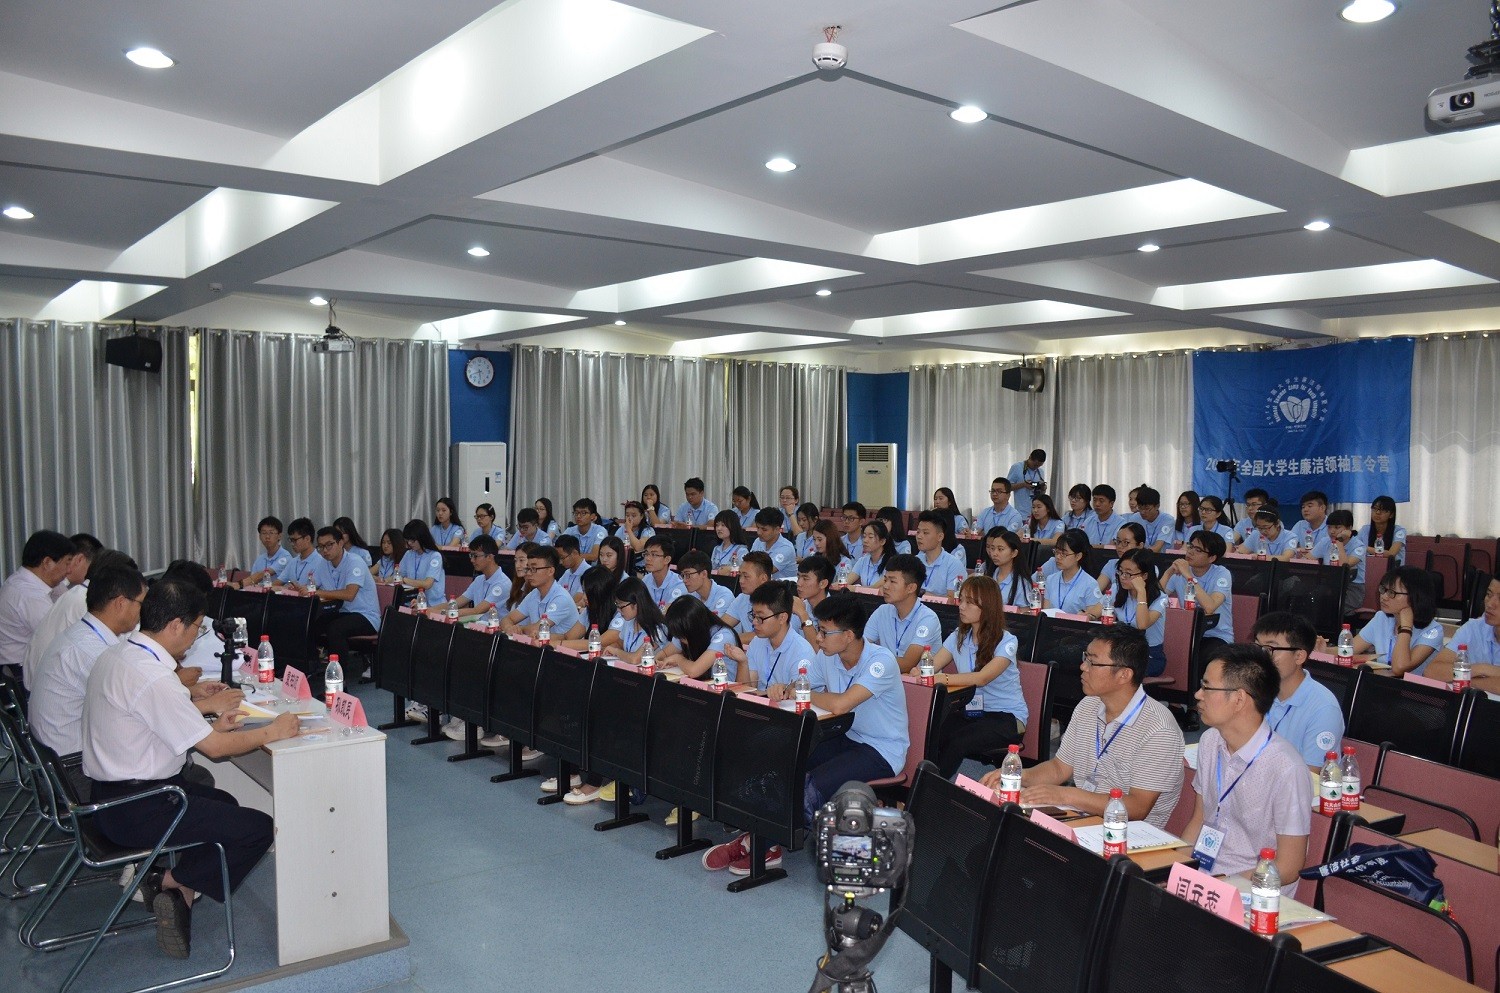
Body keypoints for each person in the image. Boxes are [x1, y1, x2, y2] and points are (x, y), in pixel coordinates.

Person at [82, 578, 298, 958]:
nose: (197, 637)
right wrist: (273, 730)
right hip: (139, 806)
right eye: (197, 628)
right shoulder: (153, 677)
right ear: (175, 625)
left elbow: (149, 728)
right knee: (258, 829)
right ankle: (166, 880)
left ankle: (181, 890)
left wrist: (209, 727)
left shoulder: (118, 655)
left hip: (107, 796)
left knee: (225, 803)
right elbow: (214, 750)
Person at [703, 595, 908, 876]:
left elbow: (841, 704)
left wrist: (804, 692)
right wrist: (785, 688)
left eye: (824, 632)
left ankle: (758, 844)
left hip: (881, 750)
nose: (818, 639)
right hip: (846, 736)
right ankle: (762, 840)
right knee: (783, 763)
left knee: (811, 785)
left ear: (848, 636)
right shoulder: (828, 656)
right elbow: (800, 685)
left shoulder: (880, 661)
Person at [982, 627, 1184, 828]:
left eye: (1092, 662)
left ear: (1124, 674)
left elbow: (1137, 807)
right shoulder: (1089, 705)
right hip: (1081, 816)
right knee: (1004, 825)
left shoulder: (1159, 730)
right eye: (1085, 657)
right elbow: (1059, 768)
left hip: (1126, 833)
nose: (1082, 667)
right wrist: (1017, 776)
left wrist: (1065, 795)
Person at [1183, 643, 1312, 893]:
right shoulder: (1210, 741)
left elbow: (1289, 867)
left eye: (1207, 687)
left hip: (1252, 891)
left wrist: (1223, 886)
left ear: (1239, 699)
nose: (1198, 694)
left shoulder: (1286, 768)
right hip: (1203, 879)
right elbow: (1199, 820)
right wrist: (1177, 868)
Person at [29, 563, 147, 763]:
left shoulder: (83, 634)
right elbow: (139, 705)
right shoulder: (93, 652)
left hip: (54, 754)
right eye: (141, 604)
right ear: (121, 603)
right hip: (73, 763)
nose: (143, 612)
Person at [927, 575, 1028, 777]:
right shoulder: (959, 636)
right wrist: (919, 672)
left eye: (970, 602)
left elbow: (982, 678)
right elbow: (931, 667)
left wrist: (943, 678)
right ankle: (925, 780)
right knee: (933, 731)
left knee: (958, 741)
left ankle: (931, 788)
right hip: (973, 711)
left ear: (987, 606)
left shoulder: (1007, 641)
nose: (961, 606)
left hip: (1006, 717)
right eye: (961, 599)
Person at [1250, 612, 1344, 769]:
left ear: (1299, 656)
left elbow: (1311, 775)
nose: (1260, 657)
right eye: (1257, 647)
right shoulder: (1253, 691)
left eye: (1269, 649)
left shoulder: (1324, 709)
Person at [1332, 567, 1444, 676]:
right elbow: (1347, 651)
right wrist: (1322, 648)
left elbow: (1399, 668)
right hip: (1383, 682)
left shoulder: (1433, 631)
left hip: (1412, 688)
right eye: (1383, 590)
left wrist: (1405, 628)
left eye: (1391, 592)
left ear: (1415, 597)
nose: (1384, 597)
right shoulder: (1381, 618)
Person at [0, 529, 77, 680]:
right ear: (47, 562)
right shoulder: (27, 594)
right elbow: (63, 637)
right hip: (19, 676)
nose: (69, 571)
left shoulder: (28, 584)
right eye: (67, 563)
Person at [25, 534, 106, 675]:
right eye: (67, 562)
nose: (67, 570)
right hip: (38, 675)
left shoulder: (68, 591)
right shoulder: (82, 597)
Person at [720, 582, 815, 688]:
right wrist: (743, 663)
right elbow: (747, 690)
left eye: (760, 618)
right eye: (754, 616)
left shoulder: (802, 652)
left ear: (782, 618)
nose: (754, 622)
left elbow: (799, 695)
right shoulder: (757, 642)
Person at [310, 525, 381, 667]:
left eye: (329, 545)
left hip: (366, 616)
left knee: (335, 628)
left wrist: (318, 592)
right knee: (311, 623)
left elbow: (349, 594)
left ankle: (339, 676)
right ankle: (310, 667)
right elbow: (312, 586)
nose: (325, 550)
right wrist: (302, 589)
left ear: (341, 543)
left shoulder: (355, 561)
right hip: (343, 612)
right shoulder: (324, 563)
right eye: (321, 547)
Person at [863, 554, 941, 673]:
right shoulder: (882, 611)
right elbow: (861, 648)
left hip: (916, 683)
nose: (885, 586)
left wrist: (872, 660)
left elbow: (907, 664)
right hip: (884, 677)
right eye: (885, 580)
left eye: (892, 581)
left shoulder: (928, 618)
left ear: (911, 588)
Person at [1426, 576, 1500, 689]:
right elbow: (1432, 671)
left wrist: (1465, 679)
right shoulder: (1473, 628)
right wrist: (1482, 669)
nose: (1490, 604)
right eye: (1488, 594)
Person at [1164, 531, 1234, 649]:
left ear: (1212, 558)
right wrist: (1168, 572)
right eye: (1190, 546)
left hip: (1216, 635)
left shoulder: (1222, 573)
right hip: (1187, 632)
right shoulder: (1180, 571)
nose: (1190, 552)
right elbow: (1156, 597)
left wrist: (1188, 576)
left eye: (1198, 550)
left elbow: (1209, 607)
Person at [499, 546, 583, 641]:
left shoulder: (561, 598)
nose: (529, 573)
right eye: (528, 568)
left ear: (550, 571)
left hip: (560, 648)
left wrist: (520, 628)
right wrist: (509, 628)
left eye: (534, 568)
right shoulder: (534, 594)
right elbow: (507, 619)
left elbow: (538, 628)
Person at [1110, 549, 1168, 677]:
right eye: (1120, 571)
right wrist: (1089, 614)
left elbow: (1142, 624)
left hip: (1149, 655)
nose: (1123, 577)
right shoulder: (1117, 589)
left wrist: (1141, 591)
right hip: (1122, 651)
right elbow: (1098, 609)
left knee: (1116, 673)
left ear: (1144, 576)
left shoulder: (1161, 598)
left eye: (1129, 573)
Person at [658, 595, 741, 680]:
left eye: (682, 637)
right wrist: (658, 661)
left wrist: (678, 659)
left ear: (694, 627)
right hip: (700, 684)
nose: (681, 640)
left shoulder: (723, 635)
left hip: (723, 686)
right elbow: (664, 654)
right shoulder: (686, 630)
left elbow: (694, 671)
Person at [433, 535, 511, 621]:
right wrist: (429, 609)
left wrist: (441, 613)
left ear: (490, 557)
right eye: (471, 555)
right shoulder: (479, 580)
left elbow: (477, 611)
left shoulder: (502, 584)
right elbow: (456, 603)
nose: (472, 560)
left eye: (475, 556)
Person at [598, 577, 668, 664]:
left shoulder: (659, 629)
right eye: (617, 605)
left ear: (636, 604)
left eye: (621, 607)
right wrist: (608, 650)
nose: (618, 610)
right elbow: (619, 644)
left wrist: (615, 651)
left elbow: (635, 659)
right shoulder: (629, 621)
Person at [1045, 529, 1102, 617]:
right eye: (1056, 552)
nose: (1058, 557)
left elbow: (1091, 617)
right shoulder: (1051, 579)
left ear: (1078, 556)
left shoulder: (1090, 584)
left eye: (1064, 554)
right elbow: (1046, 612)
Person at [1320, 509, 1367, 608]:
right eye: (1329, 527)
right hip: (1330, 584)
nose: (1332, 531)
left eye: (1337, 527)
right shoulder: (1325, 541)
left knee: (1332, 606)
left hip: (1352, 588)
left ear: (1349, 528)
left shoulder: (1359, 546)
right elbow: (1308, 558)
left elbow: (1344, 566)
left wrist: (1339, 541)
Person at [913, 510, 967, 597]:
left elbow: (953, 600)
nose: (919, 536)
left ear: (940, 537)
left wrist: (923, 595)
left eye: (925, 533)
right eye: (918, 532)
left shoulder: (954, 565)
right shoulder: (914, 562)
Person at [724, 551, 774, 643]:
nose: (741, 581)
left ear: (763, 578)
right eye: (740, 575)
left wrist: (730, 639)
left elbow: (765, 634)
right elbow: (722, 625)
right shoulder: (742, 598)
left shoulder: (778, 600)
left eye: (746, 576)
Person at [677, 550, 735, 620]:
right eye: (683, 575)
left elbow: (715, 625)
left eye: (688, 575)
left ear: (704, 574)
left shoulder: (725, 596)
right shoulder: (689, 595)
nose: (684, 580)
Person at [982, 528, 1033, 608]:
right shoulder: (988, 575)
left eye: (1000, 549)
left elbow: (1025, 611)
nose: (994, 553)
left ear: (1014, 553)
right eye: (992, 548)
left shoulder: (1022, 583)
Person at [235, 517, 291, 588]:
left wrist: (238, 585)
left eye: (271, 533)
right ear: (259, 536)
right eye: (264, 533)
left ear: (279, 536)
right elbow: (252, 581)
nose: (267, 536)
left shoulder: (285, 557)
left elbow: (262, 575)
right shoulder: (260, 559)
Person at [395, 519, 445, 597]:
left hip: (433, 602)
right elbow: (397, 575)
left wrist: (404, 580)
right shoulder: (409, 554)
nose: (409, 543)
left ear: (422, 537)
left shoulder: (435, 556)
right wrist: (383, 580)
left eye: (412, 540)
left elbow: (427, 584)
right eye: (408, 540)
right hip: (411, 600)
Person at [791, 554, 835, 640]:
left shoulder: (836, 612)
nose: (798, 583)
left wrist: (803, 615)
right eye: (798, 577)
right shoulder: (800, 606)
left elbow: (819, 647)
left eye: (805, 579)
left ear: (823, 583)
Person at [1096, 522, 1145, 597]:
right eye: (1118, 541)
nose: (1119, 546)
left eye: (1126, 542)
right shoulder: (1112, 564)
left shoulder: (1149, 567)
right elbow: (1096, 591)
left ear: (1140, 546)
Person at [639, 535, 688, 609]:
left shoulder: (679, 585)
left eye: (654, 555)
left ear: (667, 559)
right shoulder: (645, 580)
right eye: (646, 554)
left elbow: (670, 613)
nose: (648, 558)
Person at [749, 506, 797, 579]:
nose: (759, 532)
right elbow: (749, 563)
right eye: (758, 528)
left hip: (782, 585)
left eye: (764, 529)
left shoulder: (786, 548)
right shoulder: (758, 541)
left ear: (777, 529)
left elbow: (767, 570)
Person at [845, 520, 896, 588]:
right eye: (864, 536)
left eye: (870, 537)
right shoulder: (863, 560)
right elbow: (846, 582)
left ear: (882, 541)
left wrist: (853, 588)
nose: (865, 540)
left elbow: (874, 588)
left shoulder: (892, 563)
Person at [272, 518, 321, 588]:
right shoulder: (293, 562)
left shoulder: (320, 562)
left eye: (295, 540)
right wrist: (286, 588)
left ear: (307, 539)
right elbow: (276, 584)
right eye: (290, 540)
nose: (292, 544)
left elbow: (315, 589)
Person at [1364, 495, 1406, 565]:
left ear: (1391, 514)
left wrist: (1364, 548)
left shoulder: (1399, 531)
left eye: (1382, 510)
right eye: (1375, 509)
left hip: (1394, 570)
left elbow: (1391, 554)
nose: (1377, 512)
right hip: (1370, 568)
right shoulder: (1365, 529)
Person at [614, 500, 655, 570]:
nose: (630, 518)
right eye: (627, 515)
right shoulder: (621, 529)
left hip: (642, 568)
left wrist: (628, 530)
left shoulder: (648, 531)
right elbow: (614, 546)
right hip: (622, 565)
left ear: (641, 516)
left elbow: (638, 548)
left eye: (633, 515)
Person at [1007, 449, 1047, 520]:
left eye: (1039, 466)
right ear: (1030, 457)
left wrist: (1043, 488)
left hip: (1037, 514)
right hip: (1021, 513)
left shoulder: (1040, 472)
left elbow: (1042, 494)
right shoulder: (1017, 467)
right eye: (1035, 465)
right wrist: (1023, 485)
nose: (1036, 467)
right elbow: (1007, 487)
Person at [1288, 490, 1330, 558]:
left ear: (1322, 508)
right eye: (1303, 507)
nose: (1305, 510)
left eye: (1310, 506)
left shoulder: (1332, 526)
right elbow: (1289, 546)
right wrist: (1297, 550)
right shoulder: (1300, 525)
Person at [1132, 487, 1173, 552]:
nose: (1142, 512)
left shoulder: (1167, 520)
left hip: (1160, 556)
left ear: (1157, 506)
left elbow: (1158, 547)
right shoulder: (1135, 518)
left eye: (1146, 508)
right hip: (1140, 555)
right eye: (1140, 508)